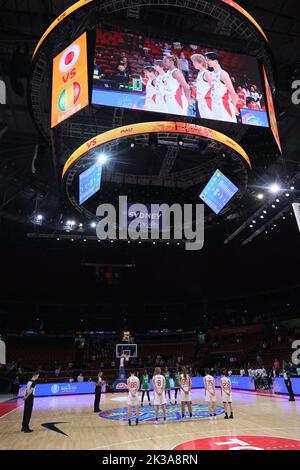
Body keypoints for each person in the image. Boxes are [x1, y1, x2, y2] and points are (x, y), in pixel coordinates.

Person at [205, 51, 238, 123]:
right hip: (214, 104)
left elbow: (233, 93)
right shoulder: (211, 74)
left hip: (224, 105)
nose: (207, 62)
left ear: (216, 61)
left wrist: (235, 107)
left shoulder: (223, 74)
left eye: (208, 60)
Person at [190, 54, 213, 119]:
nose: (193, 63)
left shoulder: (206, 73)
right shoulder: (199, 73)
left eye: (194, 62)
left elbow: (213, 87)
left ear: (201, 62)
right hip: (200, 100)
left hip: (206, 101)